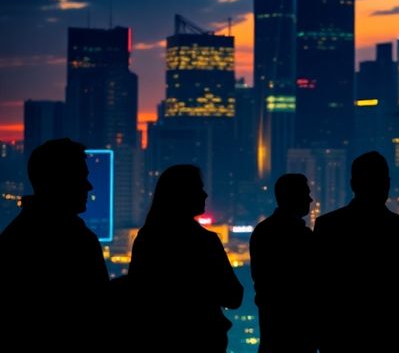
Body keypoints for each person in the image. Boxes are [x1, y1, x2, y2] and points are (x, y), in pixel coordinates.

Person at [314, 151, 399, 353]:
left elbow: (318, 288)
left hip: (344, 339)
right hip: (396, 339)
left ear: (353, 184)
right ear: (387, 184)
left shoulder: (329, 226)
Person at [0, 139, 109, 352]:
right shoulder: (78, 241)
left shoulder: (14, 236)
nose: (89, 186)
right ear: (59, 182)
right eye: (81, 177)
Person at [127, 164, 243, 352]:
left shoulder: (147, 238)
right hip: (203, 340)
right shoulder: (206, 241)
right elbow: (234, 296)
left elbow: (137, 292)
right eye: (199, 189)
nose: (205, 195)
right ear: (183, 194)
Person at [250, 173, 316, 353]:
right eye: (306, 193)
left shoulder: (262, 231)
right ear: (293, 197)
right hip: (298, 333)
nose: (310, 199)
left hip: (272, 330)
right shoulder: (301, 235)